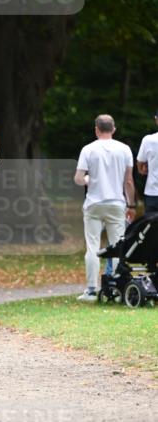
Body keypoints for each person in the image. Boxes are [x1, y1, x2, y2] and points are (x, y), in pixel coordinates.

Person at [74, 114, 135, 301]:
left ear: (96, 130)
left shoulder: (88, 149)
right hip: (116, 203)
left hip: (94, 203)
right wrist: (131, 204)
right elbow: (128, 181)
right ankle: (116, 288)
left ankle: (91, 290)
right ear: (113, 129)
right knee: (117, 247)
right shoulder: (124, 149)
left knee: (92, 246)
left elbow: (78, 179)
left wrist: (88, 179)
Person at [137, 110, 158, 213]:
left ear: (156, 120)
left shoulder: (148, 140)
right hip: (152, 193)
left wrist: (142, 170)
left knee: (151, 222)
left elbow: (140, 164)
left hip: (153, 192)